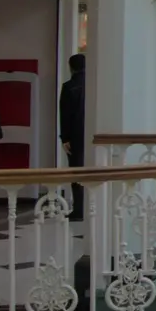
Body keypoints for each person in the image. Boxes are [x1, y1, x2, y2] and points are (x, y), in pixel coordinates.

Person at [59, 53, 86, 221]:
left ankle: (79, 208)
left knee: (76, 171)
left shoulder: (69, 87)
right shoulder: (94, 85)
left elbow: (65, 114)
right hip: (91, 134)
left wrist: (65, 138)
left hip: (75, 136)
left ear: (71, 67)